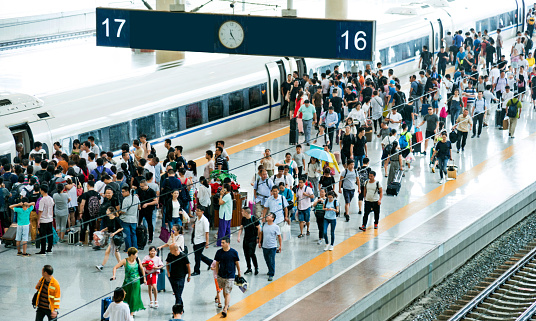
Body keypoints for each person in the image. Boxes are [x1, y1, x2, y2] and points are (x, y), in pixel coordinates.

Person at [111, 247, 145, 317]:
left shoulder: (137, 259)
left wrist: (144, 278)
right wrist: (114, 275)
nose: (137, 254)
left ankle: (131, 313)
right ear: (132, 255)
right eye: (136, 253)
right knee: (126, 297)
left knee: (133, 297)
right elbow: (115, 267)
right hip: (127, 282)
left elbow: (141, 268)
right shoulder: (124, 261)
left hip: (136, 282)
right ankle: (128, 310)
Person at [214, 237, 241, 318]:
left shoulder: (234, 252)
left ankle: (225, 308)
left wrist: (239, 272)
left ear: (228, 243)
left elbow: (237, 263)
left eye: (223, 243)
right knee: (224, 291)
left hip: (230, 275)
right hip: (221, 275)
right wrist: (217, 273)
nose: (221, 244)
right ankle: (227, 304)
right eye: (221, 243)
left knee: (228, 292)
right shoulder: (219, 252)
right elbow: (217, 263)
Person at [258, 213, 282, 281]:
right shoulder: (264, 225)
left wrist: (280, 246)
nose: (267, 216)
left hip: (272, 246)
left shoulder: (276, 227)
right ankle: (269, 269)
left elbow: (279, 236)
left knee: (271, 260)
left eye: (269, 216)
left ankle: (271, 274)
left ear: (272, 219)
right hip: (265, 246)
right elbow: (261, 234)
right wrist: (259, 242)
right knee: (267, 259)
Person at [237, 207, 260, 275]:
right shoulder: (244, 219)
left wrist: (258, 237)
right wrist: (239, 237)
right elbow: (241, 228)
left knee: (251, 253)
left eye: (242, 211)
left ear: (246, 213)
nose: (241, 212)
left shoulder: (254, 219)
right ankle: (249, 268)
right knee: (246, 254)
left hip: (253, 239)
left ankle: (256, 267)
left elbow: (259, 228)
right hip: (246, 239)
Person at [192, 207, 212, 275]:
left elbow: (207, 232)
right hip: (195, 240)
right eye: (196, 210)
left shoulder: (205, 221)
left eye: (198, 211)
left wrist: (207, 242)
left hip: (201, 241)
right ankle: (210, 262)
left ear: (202, 212)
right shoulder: (197, 219)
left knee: (197, 257)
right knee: (198, 255)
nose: (197, 212)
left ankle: (197, 270)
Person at [137, 180, 157, 244]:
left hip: (149, 210)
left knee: (149, 224)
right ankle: (139, 236)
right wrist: (139, 205)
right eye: (140, 186)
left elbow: (155, 201)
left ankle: (150, 238)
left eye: (142, 186)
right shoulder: (140, 190)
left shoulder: (152, 191)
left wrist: (147, 204)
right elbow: (138, 198)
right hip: (141, 209)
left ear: (146, 185)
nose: (141, 188)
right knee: (138, 223)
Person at [36, 185, 54, 255]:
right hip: (50, 219)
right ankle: (49, 248)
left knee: (43, 236)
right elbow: (52, 207)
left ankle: (43, 250)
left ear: (42, 190)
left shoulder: (42, 200)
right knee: (50, 235)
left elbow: (40, 211)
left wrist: (38, 221)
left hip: (43, 220)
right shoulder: (50, 198)